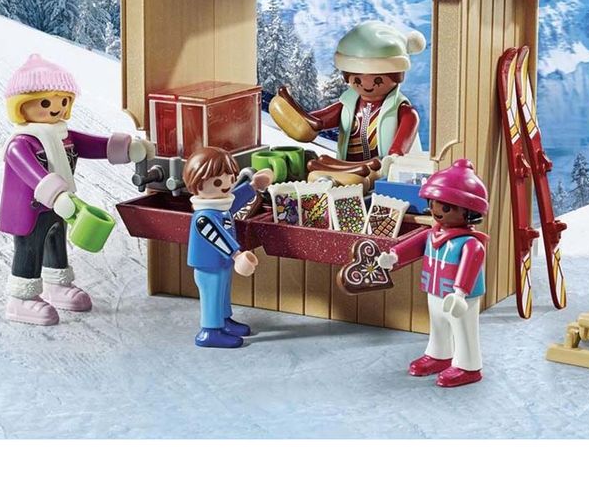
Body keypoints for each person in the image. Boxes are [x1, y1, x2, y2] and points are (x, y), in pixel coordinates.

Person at [0, 53, 152, 325]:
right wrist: (56, 194)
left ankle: (57, 284)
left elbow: (93, 144)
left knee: (55, 241)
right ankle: (21, 298)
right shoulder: (21, 143)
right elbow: (32, 173)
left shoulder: (61, 134)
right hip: (29, 209)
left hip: (59, 204)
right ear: (21, 106)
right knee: (30, 247)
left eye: (64, 101)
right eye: (46, 102)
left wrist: (128, 148)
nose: (56, 108)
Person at [377, 159, 488, 388]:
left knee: (463, 330)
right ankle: (439, 355)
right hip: (435, 291)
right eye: (434, 204)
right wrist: (394, 257)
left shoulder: (470, 243)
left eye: (446, 208)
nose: (437, 212)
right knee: (438, 325)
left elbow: (469, 268)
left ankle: (468, 366)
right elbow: (411, 247)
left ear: (468, 212)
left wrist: (460, 294)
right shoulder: (433, 235)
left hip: (459, 299)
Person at [269, 20, 425, 166]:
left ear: (396, 76)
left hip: (383, 171)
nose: (367, 84)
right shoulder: (348, 105)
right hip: (347, 167)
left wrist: (394, 157)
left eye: (378, 80)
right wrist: (298, 120)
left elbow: (401, 145)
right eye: (357, 79)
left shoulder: (403, 111)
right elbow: (319, 121)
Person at [183, 146, 274, 348]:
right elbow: (217, 237)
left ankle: (224, 321)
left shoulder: (220, 206)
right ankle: (210, 331)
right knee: (212, 295)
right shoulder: (204, 216)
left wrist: (253, 186)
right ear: (197, 185)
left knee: (222, 294)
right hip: (209, 266)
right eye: (218, 182)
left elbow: (235, 200)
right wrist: (236, 254)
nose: (226, 185)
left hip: (221, 263)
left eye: (231, 178)